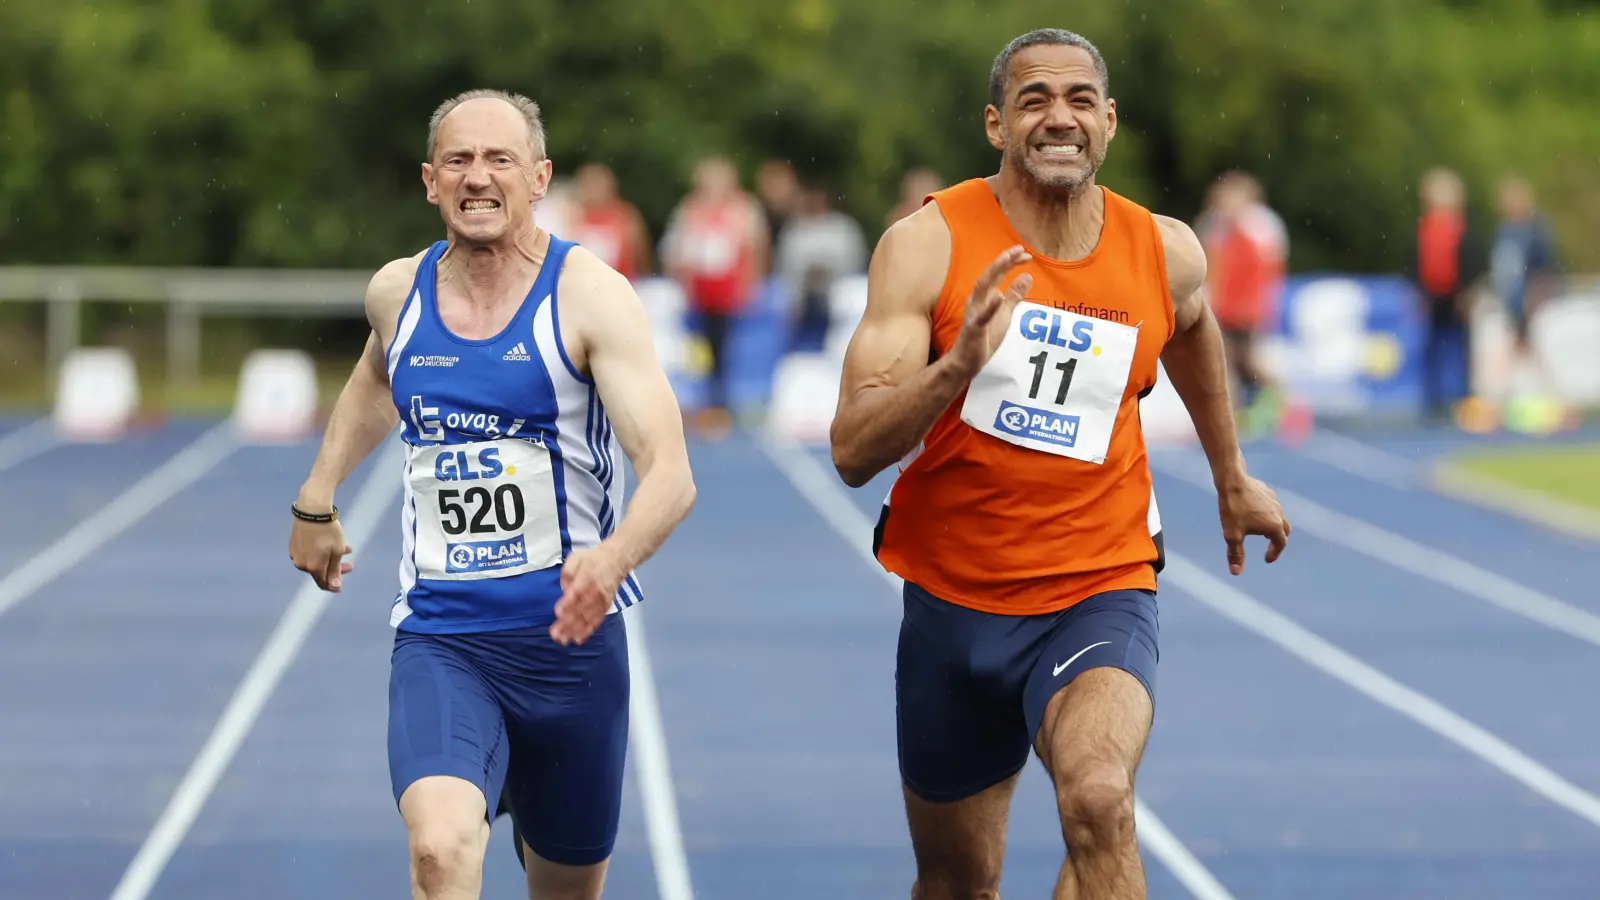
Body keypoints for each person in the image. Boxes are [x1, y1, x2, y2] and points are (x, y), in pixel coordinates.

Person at [829, 30, 1291, 900]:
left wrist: (1230, 475)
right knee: (958, 879)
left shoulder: (1164, 250)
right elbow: (852, 450)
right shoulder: (927, 245)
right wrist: (957, 366)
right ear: (996, 124)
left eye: (1080, 100)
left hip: (1098, 585)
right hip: (954, 600)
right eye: (1035, 99)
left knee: (1099, 800)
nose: (1059, 117)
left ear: (1108, 121)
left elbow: (1192, 324)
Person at [287, 89, 696, 900]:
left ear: (539, 178)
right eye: (458, 161)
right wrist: (316, 496)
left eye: (499, 159)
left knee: (564, 888)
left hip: (570, 650)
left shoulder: (590, 296)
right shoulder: (397, 293)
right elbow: (377, 379)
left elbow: (671, 474)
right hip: (445, 640)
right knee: (440, 850)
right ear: (429, 181)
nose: (477, 178)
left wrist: (611, 561)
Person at [659, 155, 769, 435]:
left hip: (730, 293)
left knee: (727, 349)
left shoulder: (743, 209)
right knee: (699, 353)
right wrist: (681, 284)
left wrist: (751, 284)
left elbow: (756, 248)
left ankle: (725, 403)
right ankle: (702, 402)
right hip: (700, 294)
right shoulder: (690, 210)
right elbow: (676, 250)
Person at [1412, 167, 1484, 427]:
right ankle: (1433, 403)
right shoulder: (1426, 228)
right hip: (1432, 296)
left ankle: (1465, 401)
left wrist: (1468, 292)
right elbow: (1416, 261)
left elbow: (1472, 260)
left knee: (1462, 351)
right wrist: (1418, 292)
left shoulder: (1461, 228)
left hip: (1457, 296)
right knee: (1431, 350)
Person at [569, 162, 653, 280]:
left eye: (597, 183)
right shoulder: (573, 215)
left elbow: (642, 255)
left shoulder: (626, 215)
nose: (593, 190)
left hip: (621, 280)